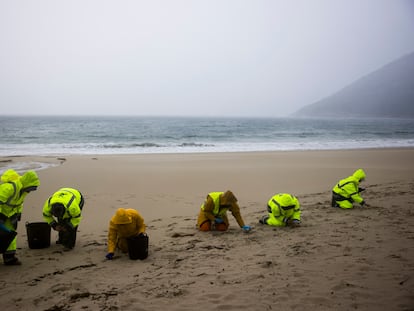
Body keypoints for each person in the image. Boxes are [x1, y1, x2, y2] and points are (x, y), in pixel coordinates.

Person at [0, 169, 40, 265]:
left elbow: (18, 204)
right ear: (27, 183)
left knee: (10, 235)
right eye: (31, 188)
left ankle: (9, 257)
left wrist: (18, 214)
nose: (31, 191)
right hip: (2, 214)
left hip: (10, 215)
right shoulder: (9, 187)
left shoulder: (23, 191)